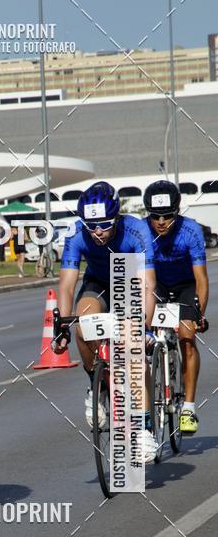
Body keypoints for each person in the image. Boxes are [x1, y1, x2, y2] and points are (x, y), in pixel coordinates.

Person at [54, 181, 158, 461]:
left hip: (130, 281)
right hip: (98, 283)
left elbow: (148, 285)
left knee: (133, 351)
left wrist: (145, 327)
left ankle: (144, 427)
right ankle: (97, 384)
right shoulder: (76, 234)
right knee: (82, 323)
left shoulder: (136, 230)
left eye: (104, 225)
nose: (97, 232)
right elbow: (66, 286)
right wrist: (62, 326)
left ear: (117, 217)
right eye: (91, 226)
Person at [143, 179, 209, 434]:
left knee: (187, 337)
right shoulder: (141, 231)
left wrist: (199, 314)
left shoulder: (191, 231)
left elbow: (201, 279)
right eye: (155, 216)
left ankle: (189, 408)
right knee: (142, 339)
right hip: (156, 286)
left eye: (168, 216)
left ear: (177, 212)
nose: (161, 222)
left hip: (185, 286)